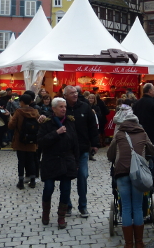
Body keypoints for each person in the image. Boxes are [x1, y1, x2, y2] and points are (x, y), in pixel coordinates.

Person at [107, 106, 154, 248]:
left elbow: (110, 155)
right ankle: (139, 242)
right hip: (138, 173)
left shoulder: (119, 134)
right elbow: (152, 150)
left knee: (126, 206)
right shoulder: (142, 133)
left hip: (121, 172)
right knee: (138, 207)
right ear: (136, 122)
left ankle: (128, 244)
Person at [38, 97, 79, 229]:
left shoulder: (70, 122)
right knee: (48, 188)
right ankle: (45, 213)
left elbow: (75, 144)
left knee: (66, 189)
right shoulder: (46, 122)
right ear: (54, 109)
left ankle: (61, 217)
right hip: (50, 160)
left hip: (67, 161)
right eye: (61, 107)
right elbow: (41, 142)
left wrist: (76, 162)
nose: (64, 109)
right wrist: (56, 133)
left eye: (65, 107)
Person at [63, 85, 98, 217]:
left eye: (76, 93)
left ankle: (83, 206)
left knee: (82, 176)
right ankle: (67, 206)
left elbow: (92, 126)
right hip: (66, 149)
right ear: (65, 95)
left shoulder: (85, 107)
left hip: (82, 148)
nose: (75, 95)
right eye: (72, 93)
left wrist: (94, 143)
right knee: (66, 177)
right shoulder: (62, 107)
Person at [132, 83, 154, 182]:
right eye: (153, 90)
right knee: (152, 157)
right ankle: (151, 178)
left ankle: (141, 176)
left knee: (141, 157)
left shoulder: (137, 103)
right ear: (149, 91)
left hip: (139, 135)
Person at [8, 94, 40, 189]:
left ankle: (21, 182)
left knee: (21, 161)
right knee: (31, 161)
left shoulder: (18, 112)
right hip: (32, 140)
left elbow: (11, 126)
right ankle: (33, 181)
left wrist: (10, 118)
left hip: (20, 140)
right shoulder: (35, 112)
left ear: (21, 102)